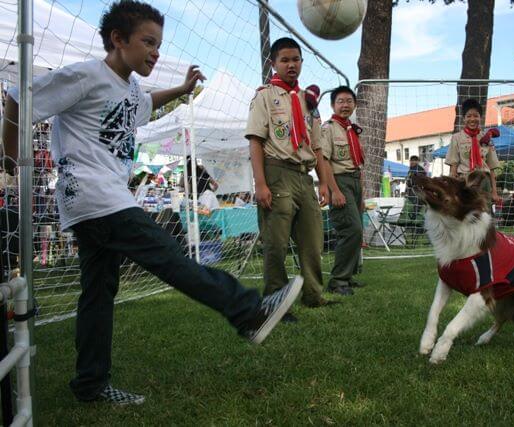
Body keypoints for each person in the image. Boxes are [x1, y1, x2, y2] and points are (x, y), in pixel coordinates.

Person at [1, 0, 302, 405]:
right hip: (96, 198)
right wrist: (9, 157)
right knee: (171, 258)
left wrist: (181, 90)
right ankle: (249, 312)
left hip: (94, 205)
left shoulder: (128, 88)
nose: (155, 53)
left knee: (97, 292)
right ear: (118, 39)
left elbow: (144, 105)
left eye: (159, 45)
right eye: (148, 42)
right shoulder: (86, 75)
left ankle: (90, 384)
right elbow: (18, 97)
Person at [245, 37, 335, 322]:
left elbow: (318, 148)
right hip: (276, 172)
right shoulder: (265, 96)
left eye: (295, 59)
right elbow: (256, 142)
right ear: (273, 63)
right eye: (284, 59)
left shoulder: (309, 102)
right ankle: (275, 302)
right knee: (276, 243)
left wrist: (323, 182)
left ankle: (313, 294)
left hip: (303, 175)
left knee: (312, 240)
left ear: (301, 62)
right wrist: (260, 183)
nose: (291, 64)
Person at [320, 85, 365, 296]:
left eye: (349, 101)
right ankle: (338, 280)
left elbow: (358, 163)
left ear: (354, 105)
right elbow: (324, 161)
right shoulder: (328, 128)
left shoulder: (352, 129)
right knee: (351, 229)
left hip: (355, 181)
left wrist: (362, 194)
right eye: (340, 101)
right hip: (339, 181)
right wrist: (334, 190)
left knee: (357, 230)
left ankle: (348, 277)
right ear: (332, 105)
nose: (345, 105)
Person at [445, 99, 501, 209]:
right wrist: (451, 190)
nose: (472, 119)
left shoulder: (487, 138)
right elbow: (453, 168)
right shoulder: (457, 138)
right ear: (464, 118)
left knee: (485, 215)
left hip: (484, 182)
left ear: (480, 117)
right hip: (465, 182)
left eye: (476, 116)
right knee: (466, 216)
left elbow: (492, 168)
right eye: (469, 116)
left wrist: (494, 192)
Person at [406, 155, 427, 219]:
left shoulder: (420, 170)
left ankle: (414, 216)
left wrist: (410, 183)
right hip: (411, 191)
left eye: (414, 161)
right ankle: (413, 216)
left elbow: (421, 180)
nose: (412, 162)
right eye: (411, 161)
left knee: (417, 202)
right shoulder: (411, 169)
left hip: (416, 191)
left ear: (417, 161)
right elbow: (408, 180)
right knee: (412, 204)